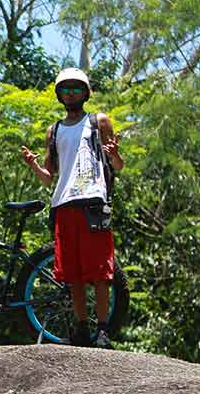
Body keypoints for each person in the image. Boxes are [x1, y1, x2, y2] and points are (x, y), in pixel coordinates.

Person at [20, 68, 123, 349]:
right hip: (63, 204)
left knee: (100, 271)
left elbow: (118, 167)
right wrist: (32, 165)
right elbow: (49, 176)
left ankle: (102, 330)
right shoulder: (53, 131)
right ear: (59, 95)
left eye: (76, 88)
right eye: (65, 89)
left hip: (93, 201)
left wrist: (114, 155)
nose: (71, 94)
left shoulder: (98, 121)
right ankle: (80, 328)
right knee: (72, 273)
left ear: (86, 92)